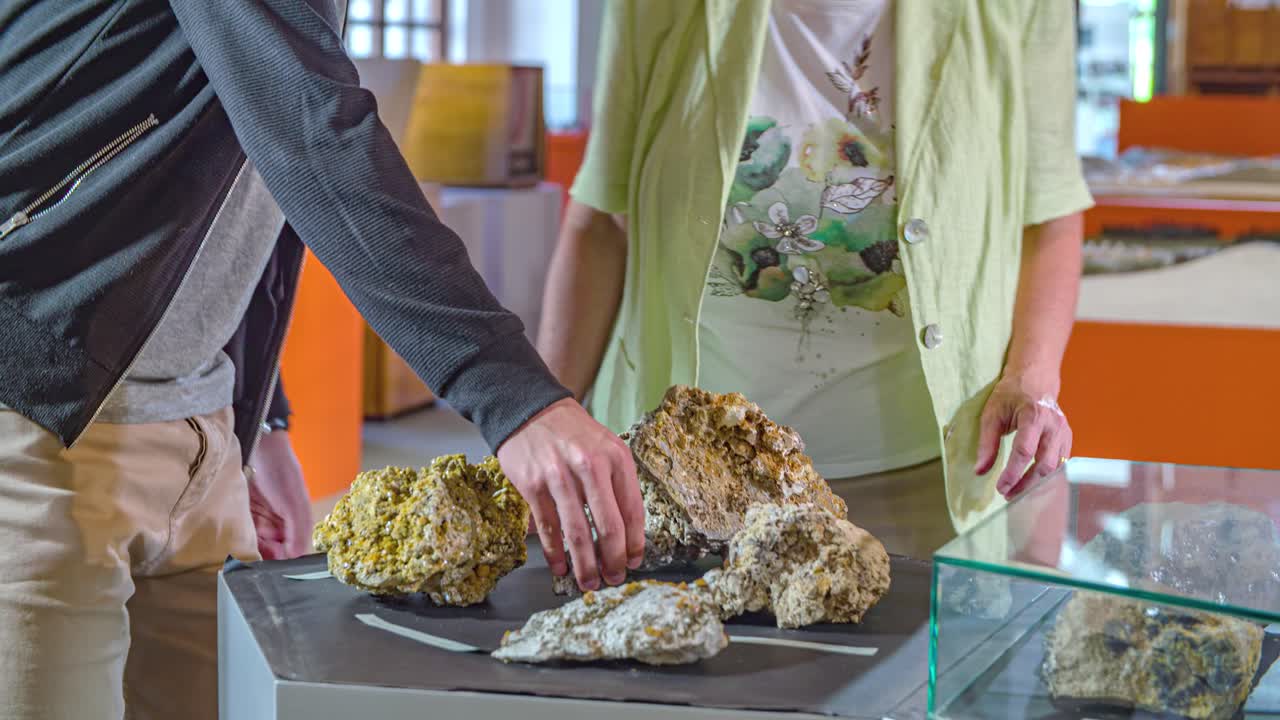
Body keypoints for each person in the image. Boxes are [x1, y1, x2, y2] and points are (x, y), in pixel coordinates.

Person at [0, 2, 642, 718]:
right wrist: (513, 393)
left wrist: (261, 414)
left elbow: (248, 154)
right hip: (39, 424)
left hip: (201, 431)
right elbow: (313, 128)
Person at [538, 0, 1091, 557]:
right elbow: (600, 222)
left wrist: (1031, 380)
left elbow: (1050, 218)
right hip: (681, 475)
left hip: (921, 478)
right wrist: (541, 415)